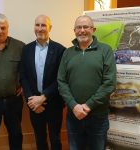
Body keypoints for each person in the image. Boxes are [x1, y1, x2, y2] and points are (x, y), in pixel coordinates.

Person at [57, 15, 116, 150]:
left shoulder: (105, 50)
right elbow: (61, 81)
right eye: (79, 27)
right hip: (74, 115)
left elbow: (109, 83)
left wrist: (88, 106)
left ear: (93, 29)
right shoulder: (67, 53)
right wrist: (74, 106)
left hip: (98, 116)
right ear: (74, 30)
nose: (82, 30)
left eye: (86, 27)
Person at [20, 14, 66, 150]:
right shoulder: (26, 49)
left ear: (50, 28)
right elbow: (24, 77)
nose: (40, 28)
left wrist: (44, 97)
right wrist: (32, 102)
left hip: (54, 103)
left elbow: (61, 78)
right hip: (34, 103)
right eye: (37, 25)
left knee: (55, 138)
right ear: (34, 27)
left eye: (43, 25)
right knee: (39, 138)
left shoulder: (60, 50)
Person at [0, 13, 25, 150]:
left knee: (16, 135)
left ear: (8, 28)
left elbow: (28, 70)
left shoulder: (20, 47)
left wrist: (23, 84)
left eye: (3, 28)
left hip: (13, 101)